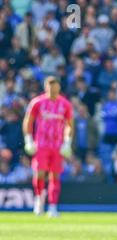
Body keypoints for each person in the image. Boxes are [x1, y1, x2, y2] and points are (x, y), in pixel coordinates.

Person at [22, 76, 73, 217]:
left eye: (54, 86)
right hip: (42, 144)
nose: (52, 89)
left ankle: (53, 206)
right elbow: (28, 121)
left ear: (59, 87)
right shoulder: (37, 102)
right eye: (49, 87)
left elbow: (69, 124)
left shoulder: (65, 104)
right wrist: (28, 139)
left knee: (55, 175)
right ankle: (39, 200)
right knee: (40, 172)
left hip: (57, 145)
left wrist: (67, 141)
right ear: (45, 87)